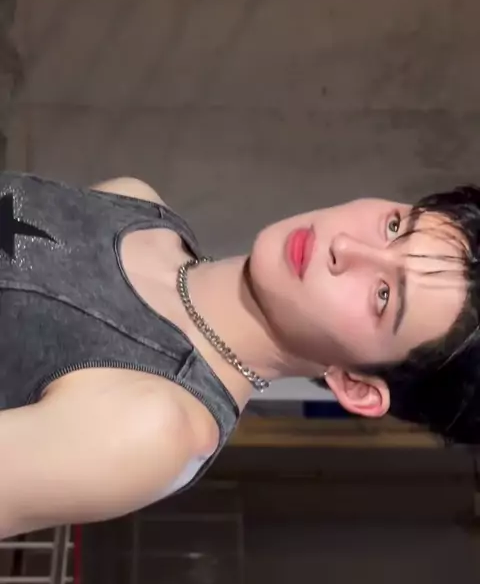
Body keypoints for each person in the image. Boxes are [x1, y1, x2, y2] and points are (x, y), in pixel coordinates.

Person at [0, 171, 478, 538]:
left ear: (357, 386)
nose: (347, 247)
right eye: (395, 226)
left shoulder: (155, 428)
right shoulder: (138, 206)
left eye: (383, 296)